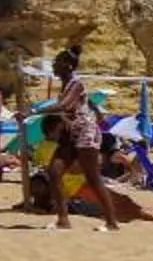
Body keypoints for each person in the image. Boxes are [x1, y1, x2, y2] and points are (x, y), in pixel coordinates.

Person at [45, 47, 117, 233]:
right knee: (54, 172)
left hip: (86, 133)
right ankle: (63, 220)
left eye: (57, 62)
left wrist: (33, 111)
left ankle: (111, 222)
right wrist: (65, 119)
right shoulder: (66, 86)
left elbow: (64, 105)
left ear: (68, 65)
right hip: (71, 135)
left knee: (92, 178)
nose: (54, 66)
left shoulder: (76, 84)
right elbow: (72, 108)